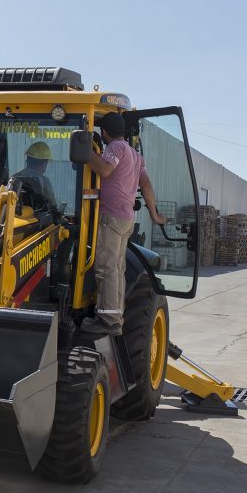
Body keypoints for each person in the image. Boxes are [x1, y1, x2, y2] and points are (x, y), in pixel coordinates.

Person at [80, 112, 167, 336]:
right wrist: (155, 216)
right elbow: (146, 186)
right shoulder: (136, 156)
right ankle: (115, 315)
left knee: (106, 267)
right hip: (126, 219)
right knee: (117, 269)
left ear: (105, 132)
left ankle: (108, 320)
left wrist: (85, 151)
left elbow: (105, 169)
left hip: (111, 217)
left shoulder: (115, 148)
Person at [11, 141, 57, 210]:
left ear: (28, 160)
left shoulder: (14, 178)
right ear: (44, 164)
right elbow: (52, 207)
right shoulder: (44, 182)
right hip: (38, 219)